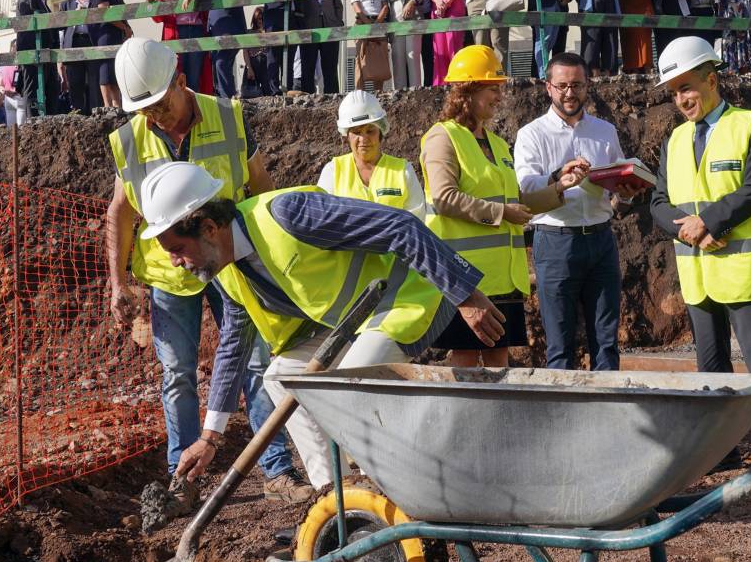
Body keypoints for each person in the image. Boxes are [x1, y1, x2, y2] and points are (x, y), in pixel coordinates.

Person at [145, 161, 508, 491]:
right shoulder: (228, 271)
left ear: (209, 227)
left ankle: (403, 483)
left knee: (346, 377)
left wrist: (466, 296)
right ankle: (335, 494)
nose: (176, 263)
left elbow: (400, 225)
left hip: (409, 295)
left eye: (177, 249)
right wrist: (210, 437)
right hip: (357, 323)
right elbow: (233, 347)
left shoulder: (287, 214)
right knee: (280, 376)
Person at [106, 38, 308, 504]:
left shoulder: (228, 116)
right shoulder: (129, 140)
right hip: (169, 274)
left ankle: (277, 471)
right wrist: (118, 282)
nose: (153, 116)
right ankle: (184, 479)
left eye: (159, 104)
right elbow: (120, 211)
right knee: (176, 373)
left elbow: (260, 188)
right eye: (145, 109)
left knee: (257, 365)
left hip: (229, 263)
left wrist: (267, 259)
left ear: (180, 80)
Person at [649, 36, 751, 466]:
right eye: (674, 92)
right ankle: (720, 449)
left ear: (711, 80)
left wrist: (709, 222)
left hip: (744, 269)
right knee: (710, 369)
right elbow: (658, 202)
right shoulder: (673, 140)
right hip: (698, 273)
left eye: (687, 88)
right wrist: (692, 232)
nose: (681, 99)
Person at [422, 44, 585, 368]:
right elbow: (443, 197)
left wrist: (558, 188)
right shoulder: (442, 138)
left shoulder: (496, 144)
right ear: (466, 91)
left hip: (504, 279)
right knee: (466, 362)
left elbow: (516, 202)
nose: (499, 97)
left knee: (500, 364)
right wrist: (501, 214)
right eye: (492, 89)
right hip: (466, 281)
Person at [515, 52, 638, 370]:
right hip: (556, 241)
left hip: (600, 240)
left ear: (588, 85)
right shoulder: (532, 134)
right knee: (560, 344)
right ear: (548, 87)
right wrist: (558, 177)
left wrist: (625, 194)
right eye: (562, 85)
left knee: (606, 343)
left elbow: (619, 181)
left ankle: (607, 413)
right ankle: (563, 417)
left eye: (577, 85)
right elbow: (525, 189)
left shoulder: (604, 131)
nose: (570, 93)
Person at [317, 90, 425, 217]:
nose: (363, 139)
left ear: (381, 131)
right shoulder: (333, 171)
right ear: (347, 136)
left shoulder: (403, 171)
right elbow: (322, 220)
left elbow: (416, 224)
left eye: (370, 131)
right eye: (356, 132)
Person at [184, 0, 244, 99]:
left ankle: (229, 98)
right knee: (218, 63)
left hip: (230, 29)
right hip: (218, 30)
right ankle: (224, 97)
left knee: (221, 63)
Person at [149, 0, 212, 95]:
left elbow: (206, 14)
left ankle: (195, 109)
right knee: (177, 74)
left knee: (195, 75)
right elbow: (157, 18)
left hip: (196, 31)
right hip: (177, 33)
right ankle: (180, 109)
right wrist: (153, 5)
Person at [16, 0, 62, 117]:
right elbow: (26, 27)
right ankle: (34, 123)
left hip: (45, 53)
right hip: (33, 54)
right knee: (34, 88)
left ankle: (47, 122)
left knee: (51, 88)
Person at [294, 0, 342, 94]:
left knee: (330, 67)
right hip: (309, 29)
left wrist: (337, 22)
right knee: (307, 67)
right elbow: (297, 8)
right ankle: (308, 97)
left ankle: (333, 96)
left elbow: (338, 5)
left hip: (330, 27)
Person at [89, 0, 133, 109]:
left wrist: (128, 29)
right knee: (106, 72)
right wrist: (124, 28)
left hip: (117, 36)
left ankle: (117, 105)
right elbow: (105, 13)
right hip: (105, 35)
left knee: (115, 72)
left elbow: (123, 15)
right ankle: (107, 106)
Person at [59, 0, 102, 113]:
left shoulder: (97, 0)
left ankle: (96, 113)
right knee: (75, 82)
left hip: (92, 42)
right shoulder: (66, 5)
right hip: (73, 44)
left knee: (95, 81)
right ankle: (78, 115)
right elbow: (60, 29)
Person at [349, 0, 391, 92]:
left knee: (379, 57)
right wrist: (368, 25)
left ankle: (378, 94)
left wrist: (376, 24)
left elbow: (385, 5)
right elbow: (357, 7)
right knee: (361, 59)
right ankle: (359, 93)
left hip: (378, 23)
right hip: (362, 23)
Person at [381, 0, 413, 90]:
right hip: (393, 19)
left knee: (411, 55)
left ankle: (415, 88)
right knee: (398, 57)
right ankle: (399, 90)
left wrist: (412, 1)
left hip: (410, 17)